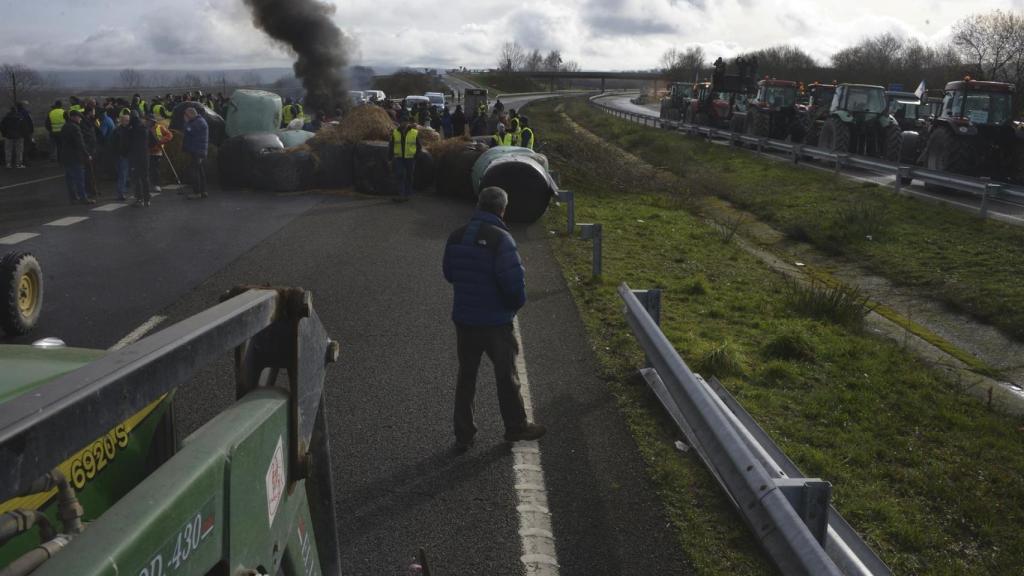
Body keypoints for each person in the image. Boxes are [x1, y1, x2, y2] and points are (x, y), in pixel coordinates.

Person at [442, 186, 545, 451]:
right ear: (502, 209)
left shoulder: (457, 236)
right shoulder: (502, 239)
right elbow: (513, 286)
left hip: (464, 319)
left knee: (467, 376)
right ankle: (515, 427)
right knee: (506, 375)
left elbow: (450, 273)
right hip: (495, 322)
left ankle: (463, 434)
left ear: (479, 205)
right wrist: (512, 307)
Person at [60, 111, 93, 204]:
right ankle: (83, 197)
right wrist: (87, 154)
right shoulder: (75, 128)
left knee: (69, 179)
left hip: (65, 155)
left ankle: (73, 198)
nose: (80, 119)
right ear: (74, 117)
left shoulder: (65, 126)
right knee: (79, 178)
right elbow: (80, 143)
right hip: (75, 156)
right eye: (79, 117)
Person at [182, 107, 209, 199]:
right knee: (200, 171)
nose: (185, 117)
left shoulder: (197, 122)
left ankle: (197, 192)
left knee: (195, 171)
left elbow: (188, 130)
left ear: (190, 114)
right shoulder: (200, 121)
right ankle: (203, 191)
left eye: (186, 115)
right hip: (199, 150)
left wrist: (186, 123)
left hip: (197, 150)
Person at [390, 116, 419, 202]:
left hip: (410, 158)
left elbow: (418, 146)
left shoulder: (414, 132)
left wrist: (416, 156)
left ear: (408, 123)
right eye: (402, 122)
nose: (404, 124)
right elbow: (391, 145)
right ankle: (401, 195)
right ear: (400, 122)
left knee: (409, 176)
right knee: (400, 174)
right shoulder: (395, 132)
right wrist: (389, 157)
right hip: (399, 157)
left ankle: (408, 194)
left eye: (406, 122)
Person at [128, 113, 153, 207]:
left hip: (135, 157)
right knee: (145, 178)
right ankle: (147, 199)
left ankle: (139, 198)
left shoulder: (132, 130)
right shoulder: (146, 129)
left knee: (136, 178)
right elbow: (153, 141)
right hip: (145, 156)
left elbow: (127, 143)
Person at [147, 114, 173, 193]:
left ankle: (156, 184)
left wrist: (162, 141)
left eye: (151, 121)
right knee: (148, 169)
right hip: (147, 151)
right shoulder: (145, 128)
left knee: (155, 169)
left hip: (157, 151)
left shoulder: (159, 127)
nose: (150, 122)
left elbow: (169, 135)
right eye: (149, 120)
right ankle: (147, 184)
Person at [113, 114, 132, 201]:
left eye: (128, 120)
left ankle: (122, 191)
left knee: (124, 174)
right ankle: (121, 192)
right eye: (126, 120)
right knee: (123, 174)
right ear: (122, 121)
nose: (128, 122)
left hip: (124, 154)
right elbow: (118, 144)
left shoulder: (124, 129)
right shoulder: (119, 130)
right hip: (122, 155)